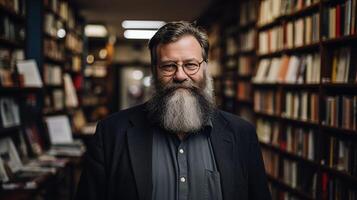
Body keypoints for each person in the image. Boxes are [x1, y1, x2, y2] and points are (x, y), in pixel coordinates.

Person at [76, 21, 271, 200]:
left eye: (191, 65)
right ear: (154, 71)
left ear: (205, 68)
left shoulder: (242, 134)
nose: (180, 75)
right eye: (168, 66)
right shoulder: (111, 133)